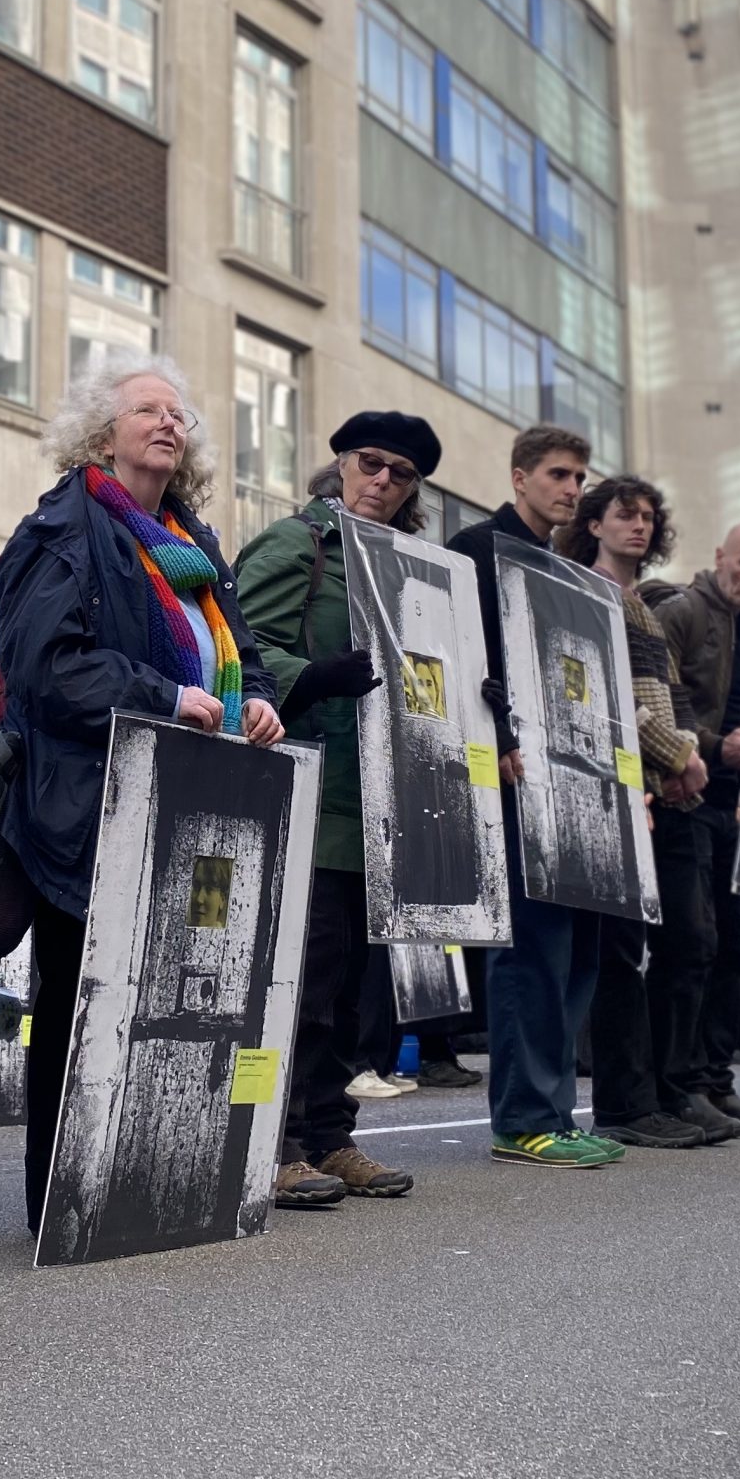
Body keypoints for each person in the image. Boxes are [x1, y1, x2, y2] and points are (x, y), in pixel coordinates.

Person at [0, 355, 288, 1228]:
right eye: (145, 410)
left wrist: (259, 699)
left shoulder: (193, 545)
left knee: (172, 994)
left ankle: (154, 1179)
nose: (167, 422)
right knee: (83, 1004)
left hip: (190, 805)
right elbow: (45, 666)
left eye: (179, 414)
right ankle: (64, 1198)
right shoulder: (63, 527)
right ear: (101, 432)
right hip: (88, 809)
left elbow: (237, 649)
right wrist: (163, 696)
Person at [236, 413, 450, 1205]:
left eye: (401, 473)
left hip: (384, 812)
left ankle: (331, 1134)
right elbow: (233, 645)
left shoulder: (407, 567)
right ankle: (279, 1141)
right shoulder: (302, 544)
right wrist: (313, 674)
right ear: (341, 464)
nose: (383, 481)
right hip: (307, 800)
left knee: (355, 997)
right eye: (371, 463)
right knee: (302, 984)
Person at [444, 425, 624, 1169]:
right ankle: (522, 1120)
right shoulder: (479, 549)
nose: (573, 489)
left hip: (575, 785)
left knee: (577, 952)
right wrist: (499, 738)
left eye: (580, 477)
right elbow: (457, 656)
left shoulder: (561, 569)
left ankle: (554, 1112)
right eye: (559, 474)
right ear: (520, 477)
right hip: (513, 780)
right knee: (530, 954)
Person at [554, 476, 711, 1151]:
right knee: (619, 954)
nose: (639, 527)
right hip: (614, 789)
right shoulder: (583, 588)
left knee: (659, 950)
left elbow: (664, 697)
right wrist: (679, 755)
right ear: (595, 522)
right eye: (625, 514)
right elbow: (609, 699)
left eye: (648, 517)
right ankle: (623, 1103)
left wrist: (681, 760)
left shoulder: (640, 604)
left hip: (655, 785)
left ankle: (651, 1096)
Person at [642, 524, 740, 1137]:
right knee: (691, 945)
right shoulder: (682, 611)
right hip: (685, 794)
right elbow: (663, 701)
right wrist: (715, 747)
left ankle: (714, 1081)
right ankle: (677, 1086)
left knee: (735, 945)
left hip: (730, 804)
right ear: (719, 559)